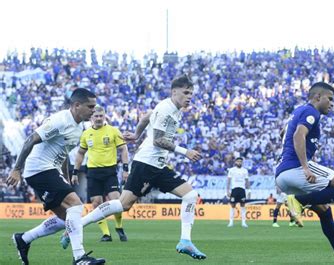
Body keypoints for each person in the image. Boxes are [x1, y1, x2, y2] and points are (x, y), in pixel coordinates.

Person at [69, 75, 206, 260]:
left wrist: (136, 134)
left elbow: (146, 117)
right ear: (174, 92)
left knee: (190, 195)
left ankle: (185, 242)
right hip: (146, 163)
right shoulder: (166, 109)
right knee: (123, 205)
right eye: (186, 92)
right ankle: (79, 224)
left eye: (191, 93)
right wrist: (185, 151)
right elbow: (158, 140)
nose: (189, 97)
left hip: (157, 164)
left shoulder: (173, 108)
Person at [7, 88, 105, 264]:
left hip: (50, 170)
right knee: (76, 205)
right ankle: (80, 257)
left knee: (66, 219)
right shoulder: (60, 120)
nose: (93, 110)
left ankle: (24, 239)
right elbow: (30, 139)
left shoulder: (79, 127)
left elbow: (64, 154)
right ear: (76, 105)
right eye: (90, 107)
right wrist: (16, 169)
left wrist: (66, 180)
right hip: (38, 169)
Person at [275, 82, 334, 265]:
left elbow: (284, 133)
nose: (332, 104)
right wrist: (305, 166)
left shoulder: (298, 112)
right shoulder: (312, 112)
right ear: (318, 97)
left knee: (325, 212)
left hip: (282, 176)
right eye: (330, 99)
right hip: (295, 168)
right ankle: (298, 201)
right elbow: (297, 135)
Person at [62, 105, 129, 247]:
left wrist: (125, 169)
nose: (98, 118)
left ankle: (119, 226)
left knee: (116, 201)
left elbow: (123, 149)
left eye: (101, 116)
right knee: (96, 203)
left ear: (104, 116)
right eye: (96, 116)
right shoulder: (86, 134)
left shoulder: (113, 131)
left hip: (110, 171)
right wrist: (75, 172)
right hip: (93, 172)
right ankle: (106, 234)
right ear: (91, 117)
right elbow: (80, 153)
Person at [226, 157, 250, 228]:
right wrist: (227, 190)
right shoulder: (231, 170)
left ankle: (243, 222)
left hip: (242, 189)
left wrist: (249, 191)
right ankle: (231, 222)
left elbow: (247, 181)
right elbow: (229, 180)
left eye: (240, 161)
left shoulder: (245, 171)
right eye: (238, 161)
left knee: (243, 206)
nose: (239, 163)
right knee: (232, 205)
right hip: (234, 189)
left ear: (242, 163)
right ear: (235, 162)